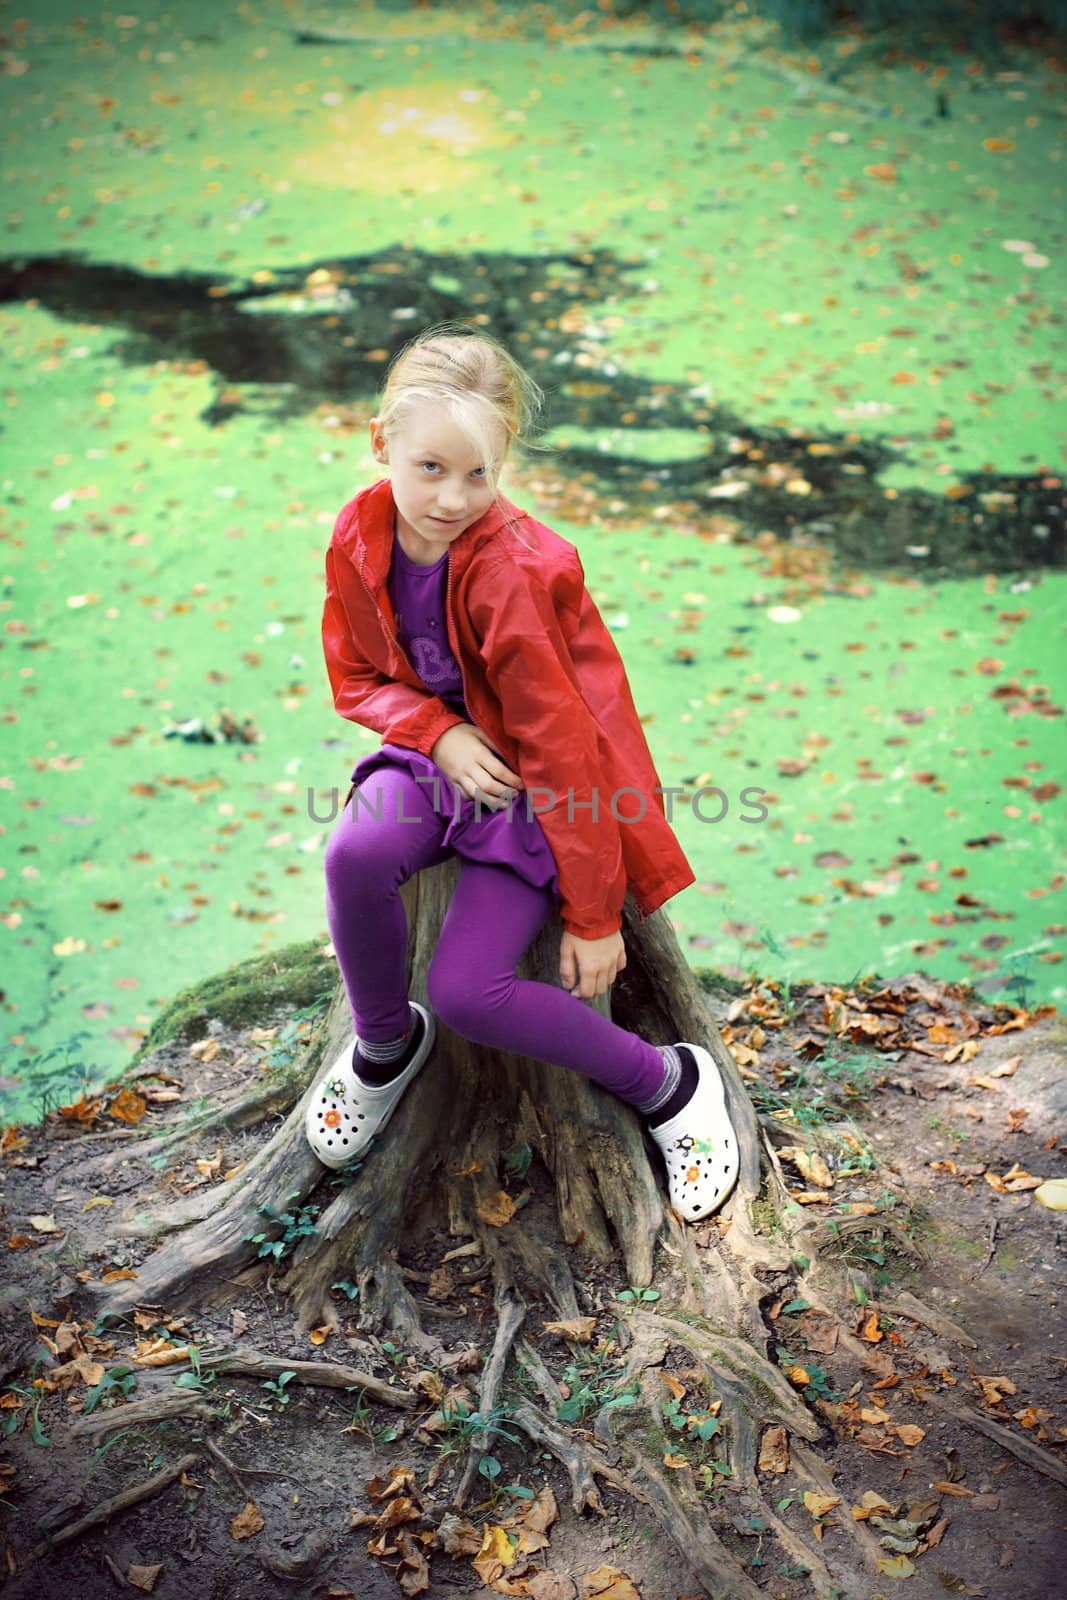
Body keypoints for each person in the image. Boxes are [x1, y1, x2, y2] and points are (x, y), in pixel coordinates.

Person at [305, 323, 739, 1221]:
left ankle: (667, 1084)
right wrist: (432, 732)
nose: (452, 497)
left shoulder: (513, 573)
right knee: (352, 855)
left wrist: (592, 916)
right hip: (437, 759)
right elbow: (355, 675)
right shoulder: (359, 533)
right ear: (380, 442)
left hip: (540, 795)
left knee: (472, 992)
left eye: (479, 474)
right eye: (429, 467)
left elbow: (566, 749)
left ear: (503, 462)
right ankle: (384, 1045)